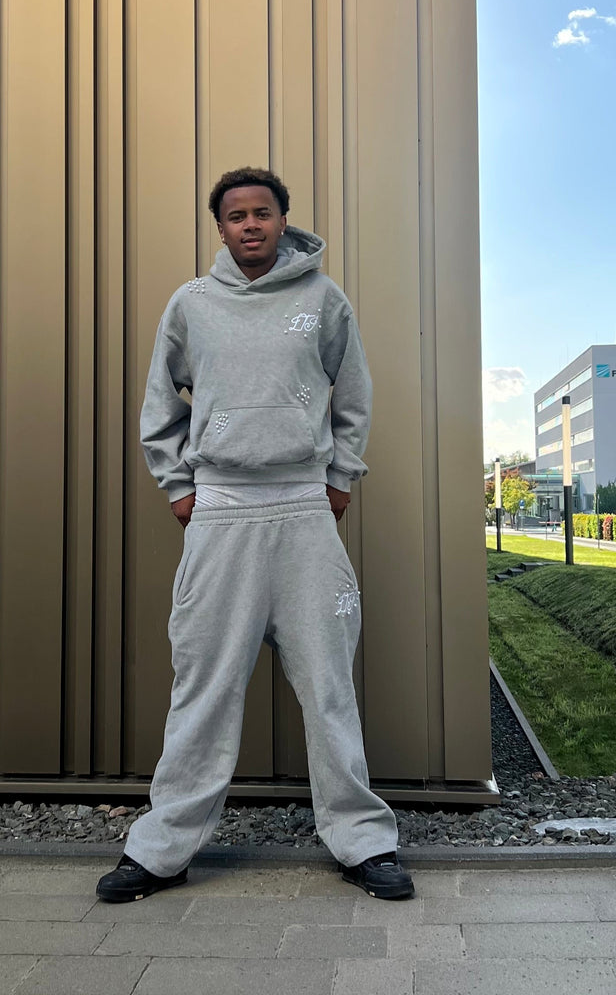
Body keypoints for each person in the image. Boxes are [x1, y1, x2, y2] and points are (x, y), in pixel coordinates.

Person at [96, 167, 413, 902]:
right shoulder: (192, 304)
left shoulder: (323, 300)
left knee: (329, 687)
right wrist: (181, 488)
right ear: (220, 227)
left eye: (261, 213)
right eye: (235, 215)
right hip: (222, 512)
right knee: (202, 687)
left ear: (282, 221)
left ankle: (364, 841)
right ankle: (162, 850)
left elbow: (353, 395)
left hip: (304, 510)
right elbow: (159, 405)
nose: (249, 225)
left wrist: (341, 478)